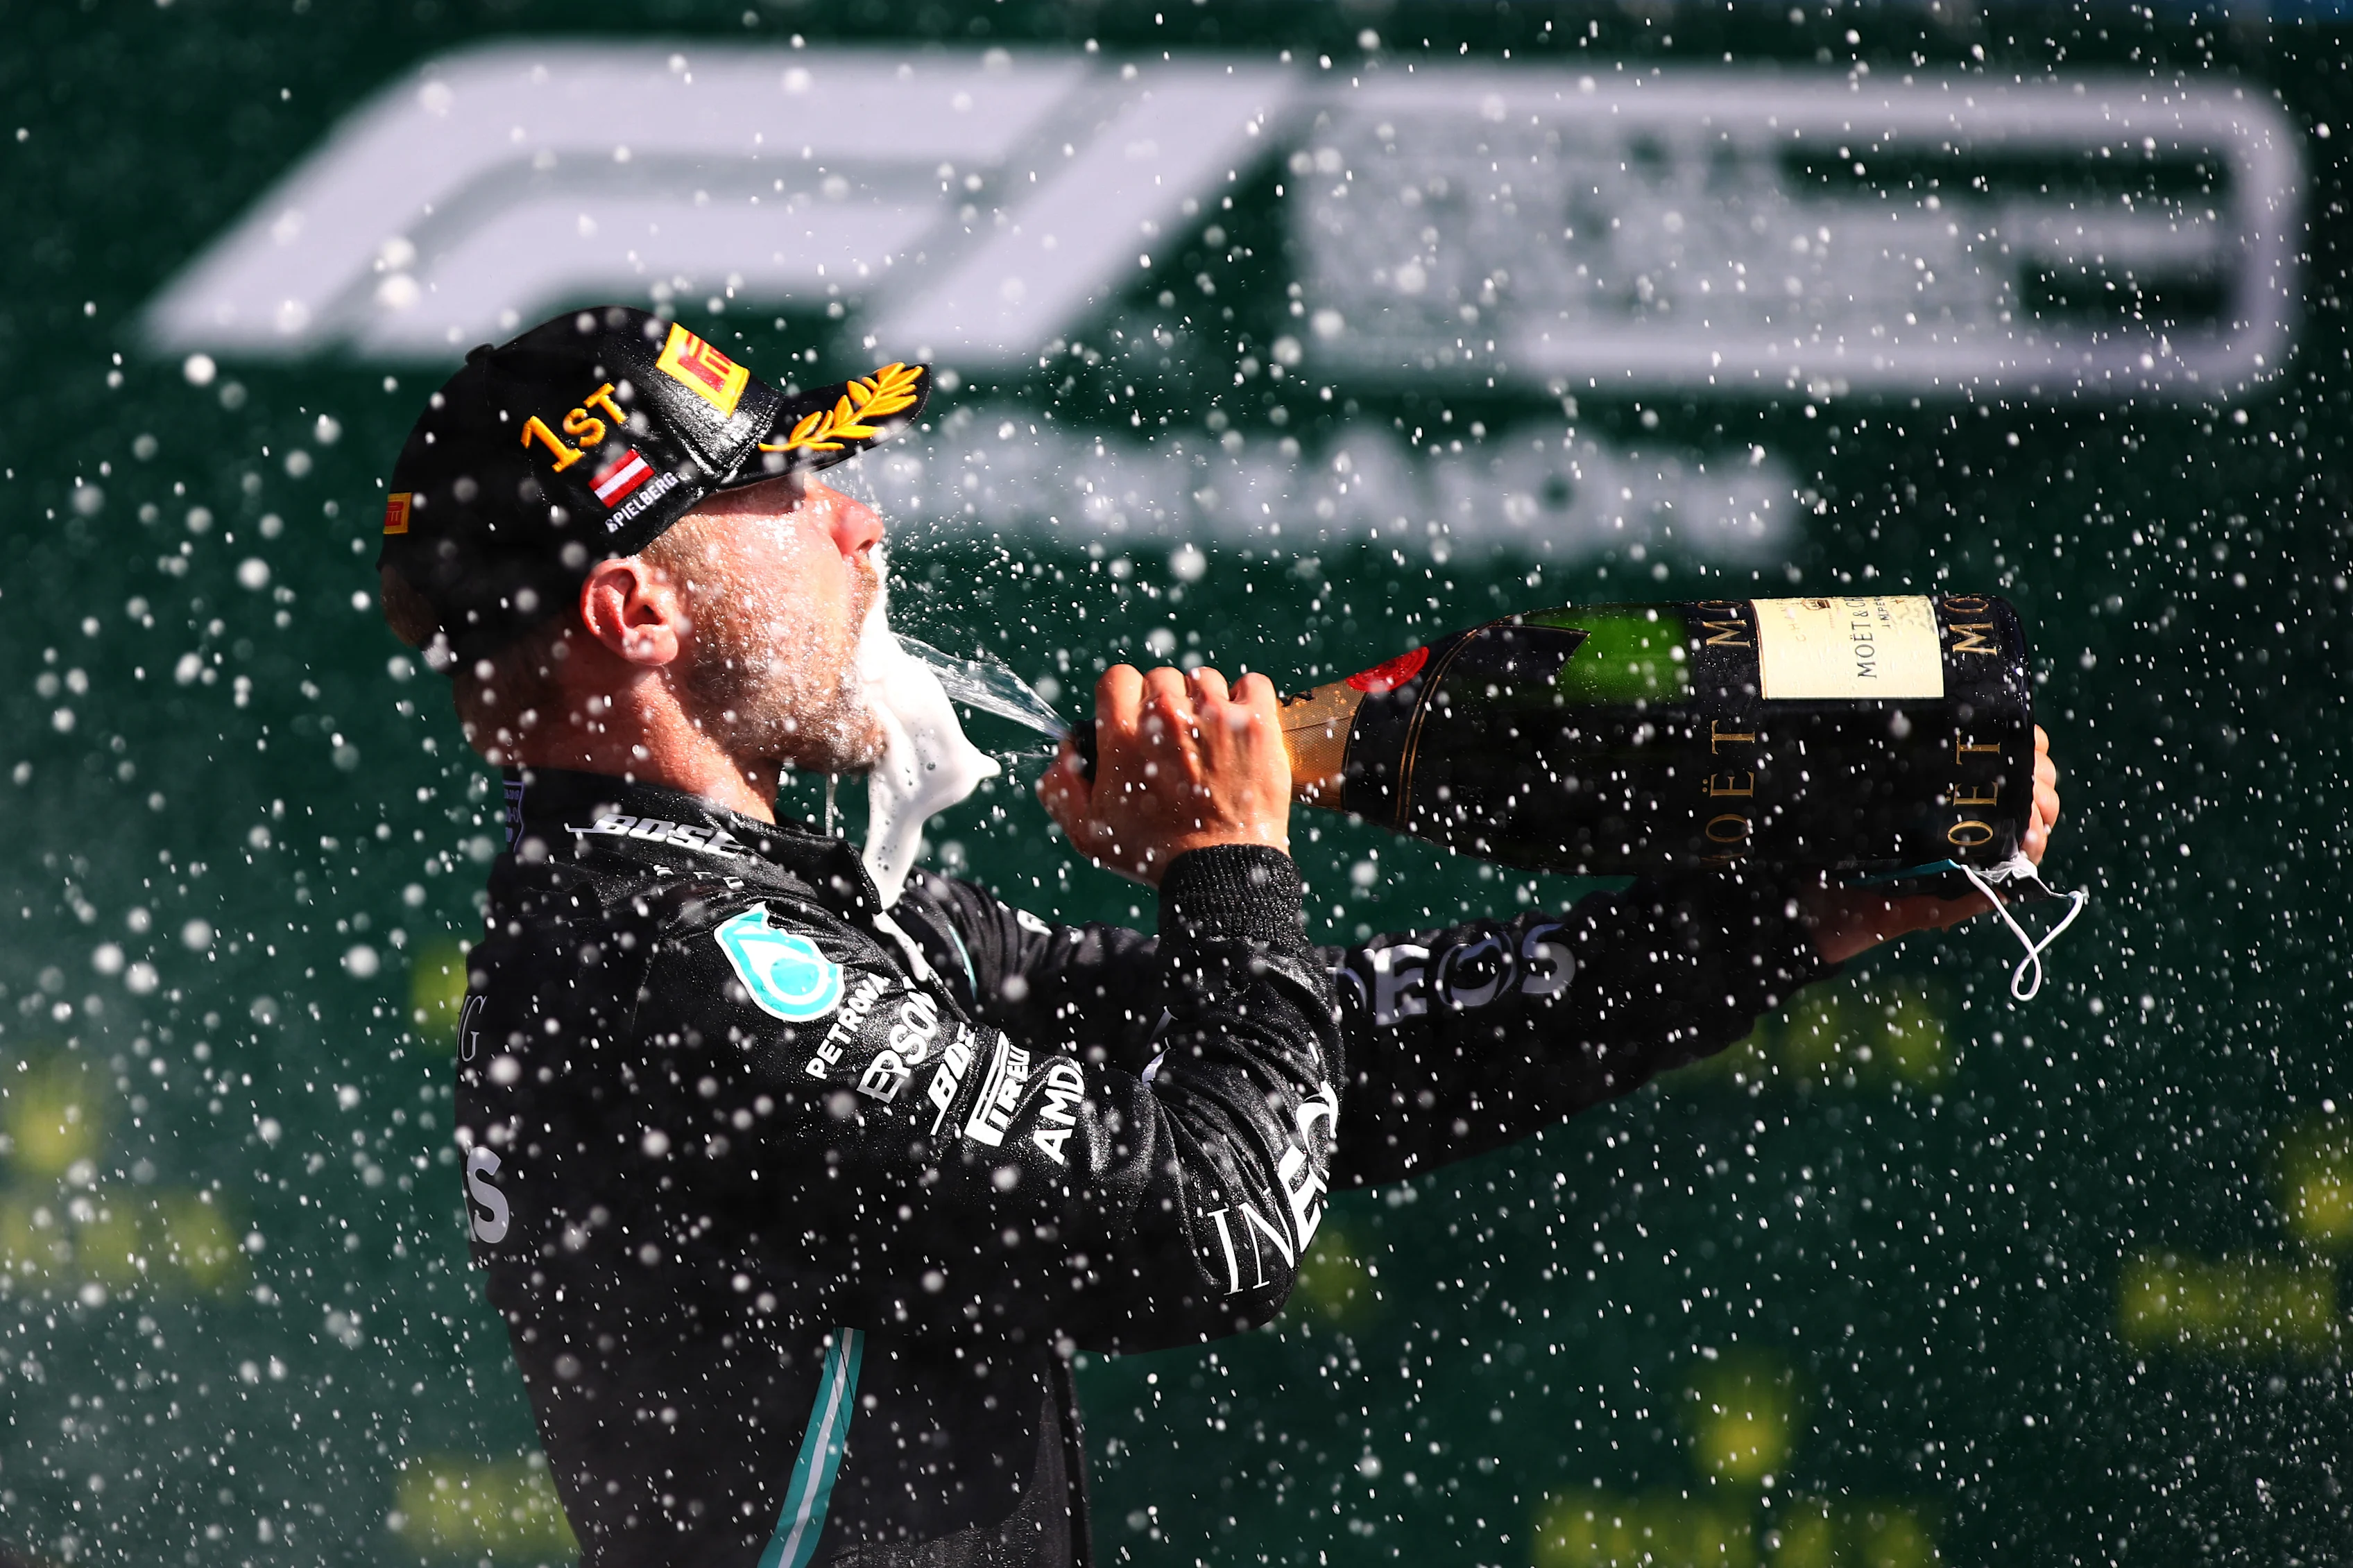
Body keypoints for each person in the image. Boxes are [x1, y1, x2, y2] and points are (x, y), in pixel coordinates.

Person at [376, 307, 2061, 1568]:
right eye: (791, 486)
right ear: (635, 609)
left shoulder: (747, 906)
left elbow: (1347, 1060)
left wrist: (1777, 919)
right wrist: (1224, 866)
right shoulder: (675, 958)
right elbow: (1208, 1221)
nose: (859, 521)